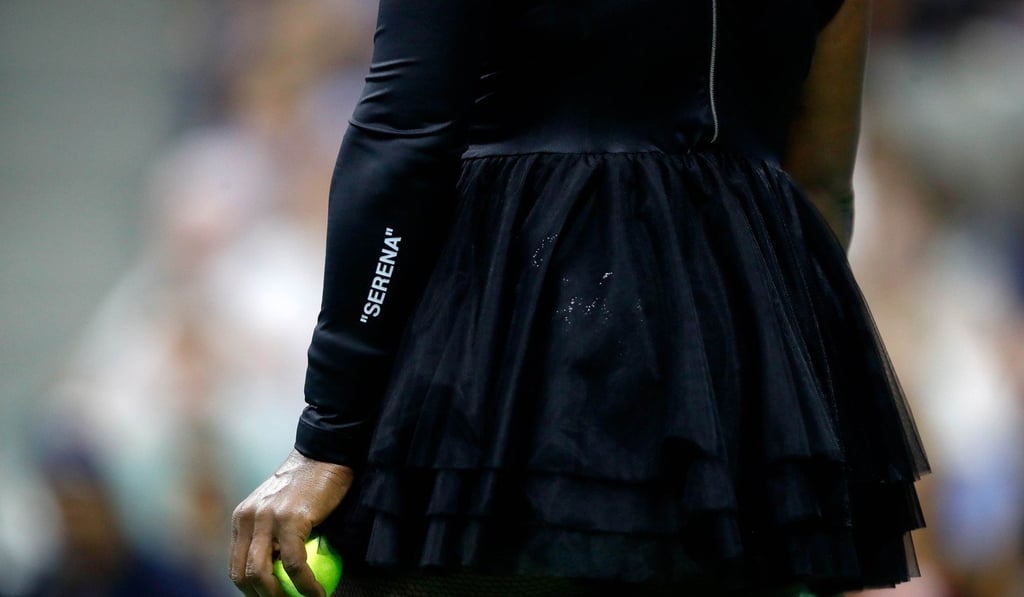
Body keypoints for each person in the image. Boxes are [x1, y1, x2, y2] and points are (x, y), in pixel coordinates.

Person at [230, 0, 929, 595]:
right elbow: (822, 183)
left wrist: (329, 431)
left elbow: (405, 134)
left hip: (511, 377)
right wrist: (777, 411)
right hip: (742, 405)